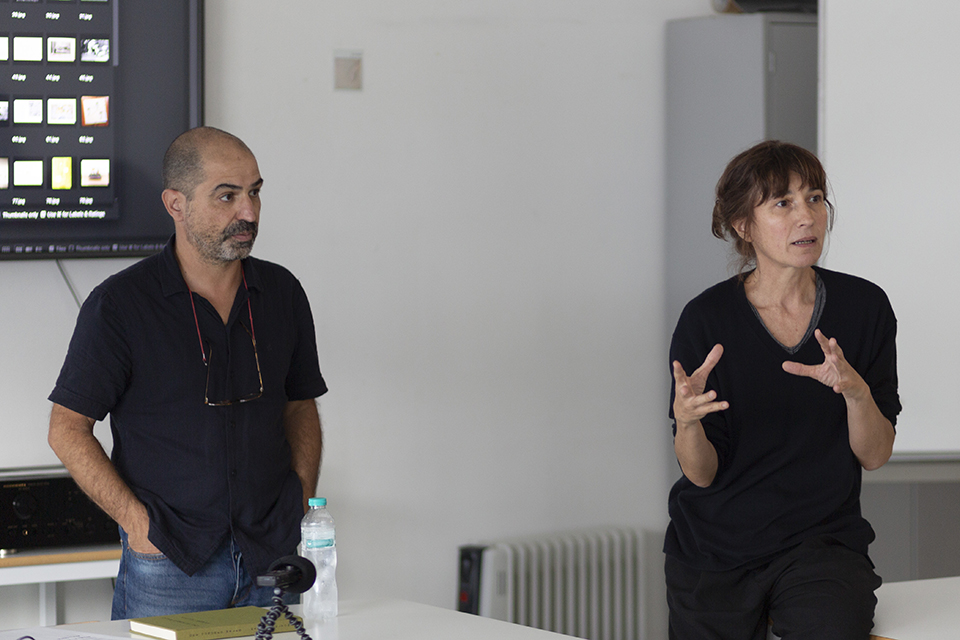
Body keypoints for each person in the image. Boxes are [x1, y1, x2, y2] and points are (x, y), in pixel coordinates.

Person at [47, 126, 327, 619]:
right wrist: (138, 526)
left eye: (255, 192)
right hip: (170, 564)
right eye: (227, 196)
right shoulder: (120, 306)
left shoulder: (283, 292)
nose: (249, 212)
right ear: (176, 204)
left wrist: (301, 501)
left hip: (272, 555)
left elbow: (300, 404)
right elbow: (67, 429)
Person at [664, 140, 901, 639]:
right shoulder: (706, 319)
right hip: (715, 546)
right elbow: (701, 474)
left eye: (815, 198)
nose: (806, 217)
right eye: (783, 203)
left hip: (820, 544)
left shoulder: (864, 307)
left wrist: (856, 393)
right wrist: (687, 422)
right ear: (743, 226)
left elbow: (875, 455)